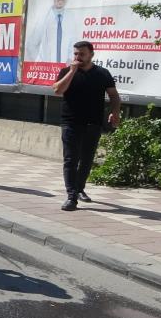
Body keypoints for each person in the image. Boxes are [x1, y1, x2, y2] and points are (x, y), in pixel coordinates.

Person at [52, 41, 121, 211]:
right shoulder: (66, 71)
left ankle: (79, 188)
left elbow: (114, 95)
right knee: (70, 159)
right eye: (76, 54)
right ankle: (71, 197)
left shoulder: (102, 73)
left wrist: (115, 112)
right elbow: (58, 90)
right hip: (70, 122)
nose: (78, 57)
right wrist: (72, 71)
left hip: (93, 123)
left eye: (82, 54)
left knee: (87, 160)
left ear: (91, 54)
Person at [28, 0, 77, 64]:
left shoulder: (72, 18)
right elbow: (31, 45)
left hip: (64, 72)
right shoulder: (43, 17)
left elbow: (73, 45)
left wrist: (69, 60)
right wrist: (39, 65)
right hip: (46, 73)